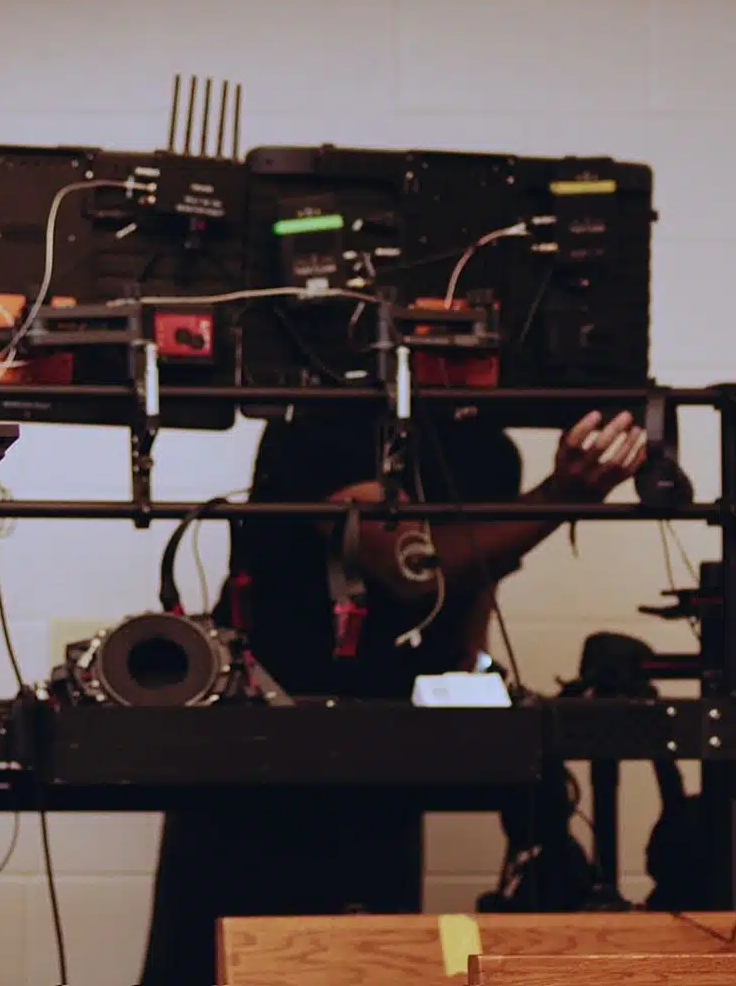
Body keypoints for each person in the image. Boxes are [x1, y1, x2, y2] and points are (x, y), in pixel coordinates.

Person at [138, 405, 645, 986]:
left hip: (384, 754)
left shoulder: (487, 452)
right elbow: (412, 569)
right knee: (222, 958)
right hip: (260, 750)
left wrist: (472, 682)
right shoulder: (323, 422)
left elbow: (476, 585)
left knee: (369, 955)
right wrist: (561, 496)